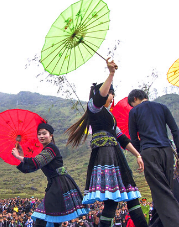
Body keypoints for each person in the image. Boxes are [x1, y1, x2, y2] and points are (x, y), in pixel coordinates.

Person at [65, 59, 147, 227]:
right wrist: (111, 74)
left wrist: (138, 154)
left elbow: (122, 138)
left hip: (116, 155)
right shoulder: (93, 108)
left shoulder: (111, 118)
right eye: (111, 94)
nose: (112, 97)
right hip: (106, 155)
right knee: (114, 198)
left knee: (127, 198)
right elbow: (99, 97)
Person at [12, 122, 88, 227]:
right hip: (55, 185)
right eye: (39, 134)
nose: (41, 136)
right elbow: (30, 167)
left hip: (60, 185)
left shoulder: (51, 148)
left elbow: (36, 162)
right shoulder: (46, 150)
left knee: (44, 218)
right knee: (53, 217)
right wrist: (22, 155)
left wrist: (18, 156)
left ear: (51, 136)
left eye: (44, 133)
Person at [127, 89, 179, 227]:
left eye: (133, 104)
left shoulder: (134, 112)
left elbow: (133, 138)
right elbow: (175, 130)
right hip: (167, 152)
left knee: (162, 192)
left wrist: (139, 154)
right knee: (163, 190)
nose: (133, 107)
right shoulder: (162, 107)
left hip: (149, 152)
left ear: (136, 98)